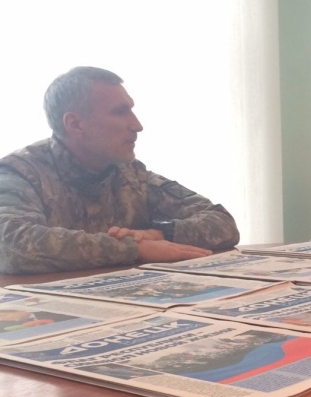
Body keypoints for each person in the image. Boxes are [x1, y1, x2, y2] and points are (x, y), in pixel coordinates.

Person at [0, 66, 239, 275]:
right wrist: (134, 249)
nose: (137, 125)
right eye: (120, 112)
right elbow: (10, 246)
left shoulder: (131, 174)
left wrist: (161, 234)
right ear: (75, 124)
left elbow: (223, 223)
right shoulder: (18, 173)